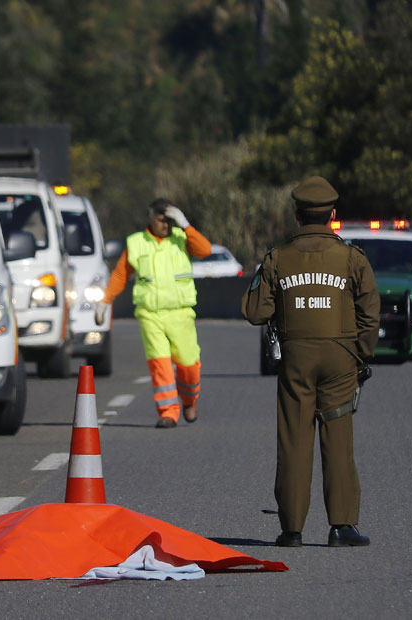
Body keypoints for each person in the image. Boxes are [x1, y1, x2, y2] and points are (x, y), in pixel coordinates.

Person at [241, 176, 379, 548]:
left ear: (298, 215)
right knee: (337, 437)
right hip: (340, 359)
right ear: (332, 215)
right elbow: (370, 312)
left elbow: (254, 311)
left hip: (296, 359)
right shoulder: (352, 258)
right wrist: (361, 354)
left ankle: (292, 530)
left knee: (294, 440)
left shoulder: (277, 258)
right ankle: (342, 526)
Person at [95, 198, 211, 428]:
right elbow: (120, 274)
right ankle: (168, 412)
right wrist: (105, 300)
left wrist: (185, 224)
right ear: (150, 217)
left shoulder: (182, 239)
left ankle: (189, 400)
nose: (166, 224)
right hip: (150, 315)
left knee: (188, 364)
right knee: (160, 364)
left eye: (169, 220)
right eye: (161, 219)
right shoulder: (137, 243)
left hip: (180, 314)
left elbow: (205, 250)